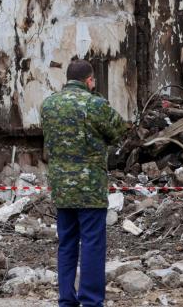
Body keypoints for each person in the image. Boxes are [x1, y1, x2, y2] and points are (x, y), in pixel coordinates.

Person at [41, 59, 126, 307]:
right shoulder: (94, 104)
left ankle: (66, 300)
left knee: (67, 244)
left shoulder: (48, 105)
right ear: (89, 80)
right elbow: (118, 130)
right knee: (91, 244)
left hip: (61, 189)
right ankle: (90, 301)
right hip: (89, 188)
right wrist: (96, 96)